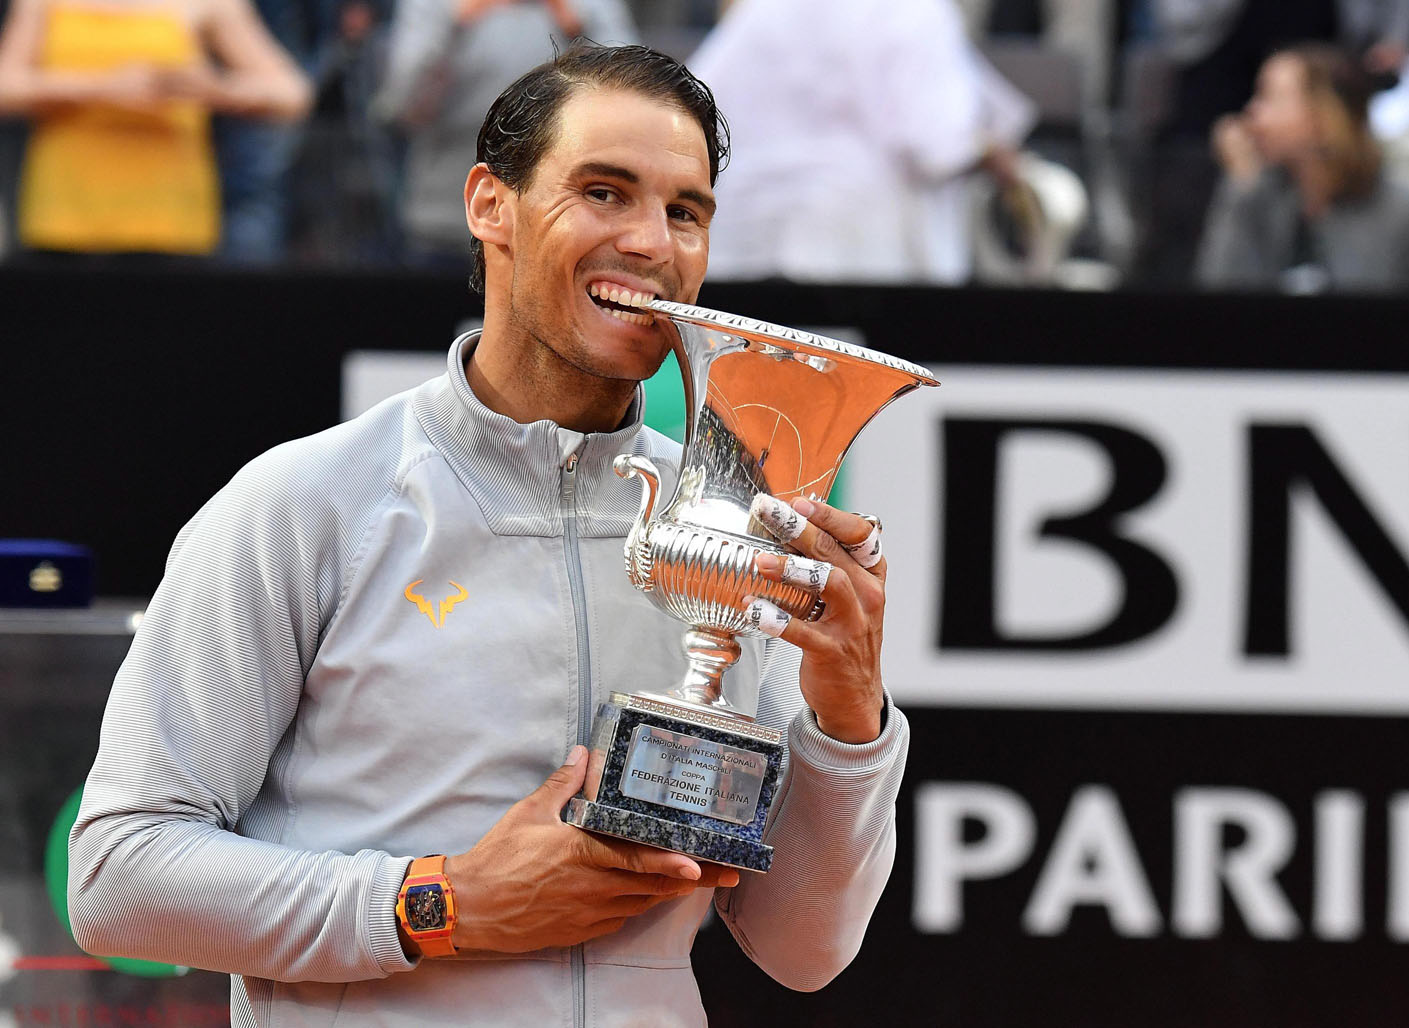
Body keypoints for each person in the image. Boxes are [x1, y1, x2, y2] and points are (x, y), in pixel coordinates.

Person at [67, 43, 907, 1026]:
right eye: (604, 191)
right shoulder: (305, 501)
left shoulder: (729, 520)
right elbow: (119, 875)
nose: (650, 240)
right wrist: (440, 902)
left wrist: (849, 716)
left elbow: (805, 948)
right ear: (487, 204)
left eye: (686, 210)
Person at [688, 0, 1036, 284]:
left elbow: (696, 103)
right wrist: (994, 154)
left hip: (751, 238)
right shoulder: (917, 10)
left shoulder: (765, 6)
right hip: (865, 251)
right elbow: (934, 144)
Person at [0, 0, 311, 256]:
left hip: (170, 217)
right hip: (63, 214)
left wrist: (212, 89)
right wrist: (100, 87)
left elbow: (291, 94)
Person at [372, 0, 637, 264]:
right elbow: (398, 107)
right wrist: (454, 24)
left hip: (560, 226)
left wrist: (577, 28)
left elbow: (630, 97)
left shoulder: (589, 7)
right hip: (444, 220)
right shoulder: (436, 7)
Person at [1195, 44, 1409, 291]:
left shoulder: (1407, 216)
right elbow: (1220, 302)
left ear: (1323, 117)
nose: (1253, 113)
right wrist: (1242, 186)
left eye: (1268, 97)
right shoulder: (1258, 198)